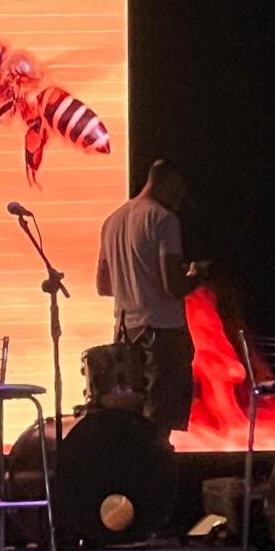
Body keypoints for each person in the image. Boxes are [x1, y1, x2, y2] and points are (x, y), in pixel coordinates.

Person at [96, 158, 204, 439]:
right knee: (159, 423)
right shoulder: (164, 220)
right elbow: (174, 287)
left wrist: (135, 280)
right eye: (180, 191)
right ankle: (156, 465)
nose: (180, 199)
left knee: (132, 421)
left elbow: (104, 286)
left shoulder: (112, 221)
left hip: (125, 334)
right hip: (162, 335)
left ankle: (134, 465)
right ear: (170, 182)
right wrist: (197, 275)